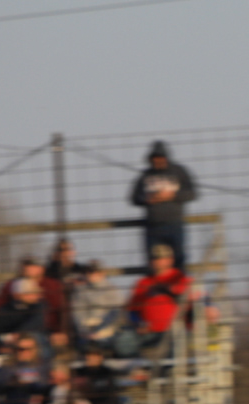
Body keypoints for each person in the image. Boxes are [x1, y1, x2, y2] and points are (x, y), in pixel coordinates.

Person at [129, 140, 199, 269]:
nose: (157, 161)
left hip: (175, 224)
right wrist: (147, 199)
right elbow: (134, 198)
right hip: (153, 227)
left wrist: (171, 195)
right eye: (155, 159)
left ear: (166, 158)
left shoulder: (179, 172)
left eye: (160, 158)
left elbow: (193, 193)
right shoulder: (145, 176)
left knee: (178, 260)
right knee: (153, 263)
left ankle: (178, 287)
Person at [126, 243, 191, 354]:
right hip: (148, 333)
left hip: (175, 332)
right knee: (125, 342)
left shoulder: (183, 280)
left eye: (162, 258)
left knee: (174, 349)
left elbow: (194, 307)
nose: (158, 262)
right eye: (154, 259)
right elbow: (133, 311)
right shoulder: (143, 283)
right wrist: (139, 324)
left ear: (170, 260)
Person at [72, 260, 133, 355]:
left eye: (94, 271)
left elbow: (117, 314)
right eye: (89, 272)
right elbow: (77, 313)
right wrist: (84, 329)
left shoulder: (112, 290)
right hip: (86, 334)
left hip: (109, 334)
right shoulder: (81, 291)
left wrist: (102, 330)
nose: (91, 274)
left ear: (102, 273)